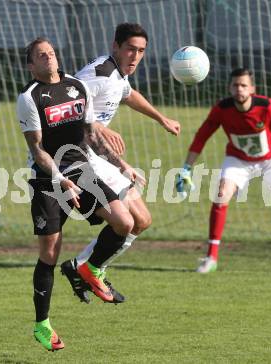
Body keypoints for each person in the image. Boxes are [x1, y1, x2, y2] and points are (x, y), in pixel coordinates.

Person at [17, 37, 144, 351]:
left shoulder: (77, 86)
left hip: (81, 170)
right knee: (49, 254)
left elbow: (90, 137)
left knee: (124, 222)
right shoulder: (30, 98)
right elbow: (37, 149)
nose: (48, 57)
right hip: (48, 179)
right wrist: (60, 179)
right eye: (40, 55)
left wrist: (121, 164)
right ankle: (42, 325)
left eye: (51, 52)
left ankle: (89, 268)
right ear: (31, 65)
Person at [60, 23, 181, 303]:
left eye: (141, 51)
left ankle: (83, 267)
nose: (135, 56)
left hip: (95, 154)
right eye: (130, 49)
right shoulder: (98, 75)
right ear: (115, 46)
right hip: (76, 154)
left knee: (142, 220)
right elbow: (66, 106)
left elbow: (128, 94)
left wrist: (160, 118)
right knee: (128, 221)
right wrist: (101, 129)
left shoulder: (117, 73)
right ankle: (88, 269)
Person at [176, 68, 271, 275]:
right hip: (238, 160)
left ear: (252, 89)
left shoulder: (267, 106)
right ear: (230, 88)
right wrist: (186, 168)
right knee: (221, 195)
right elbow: (202, 137)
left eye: (244, 85)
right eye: (235, 85)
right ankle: (211, 258)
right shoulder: (222, 109)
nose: (239, 89)